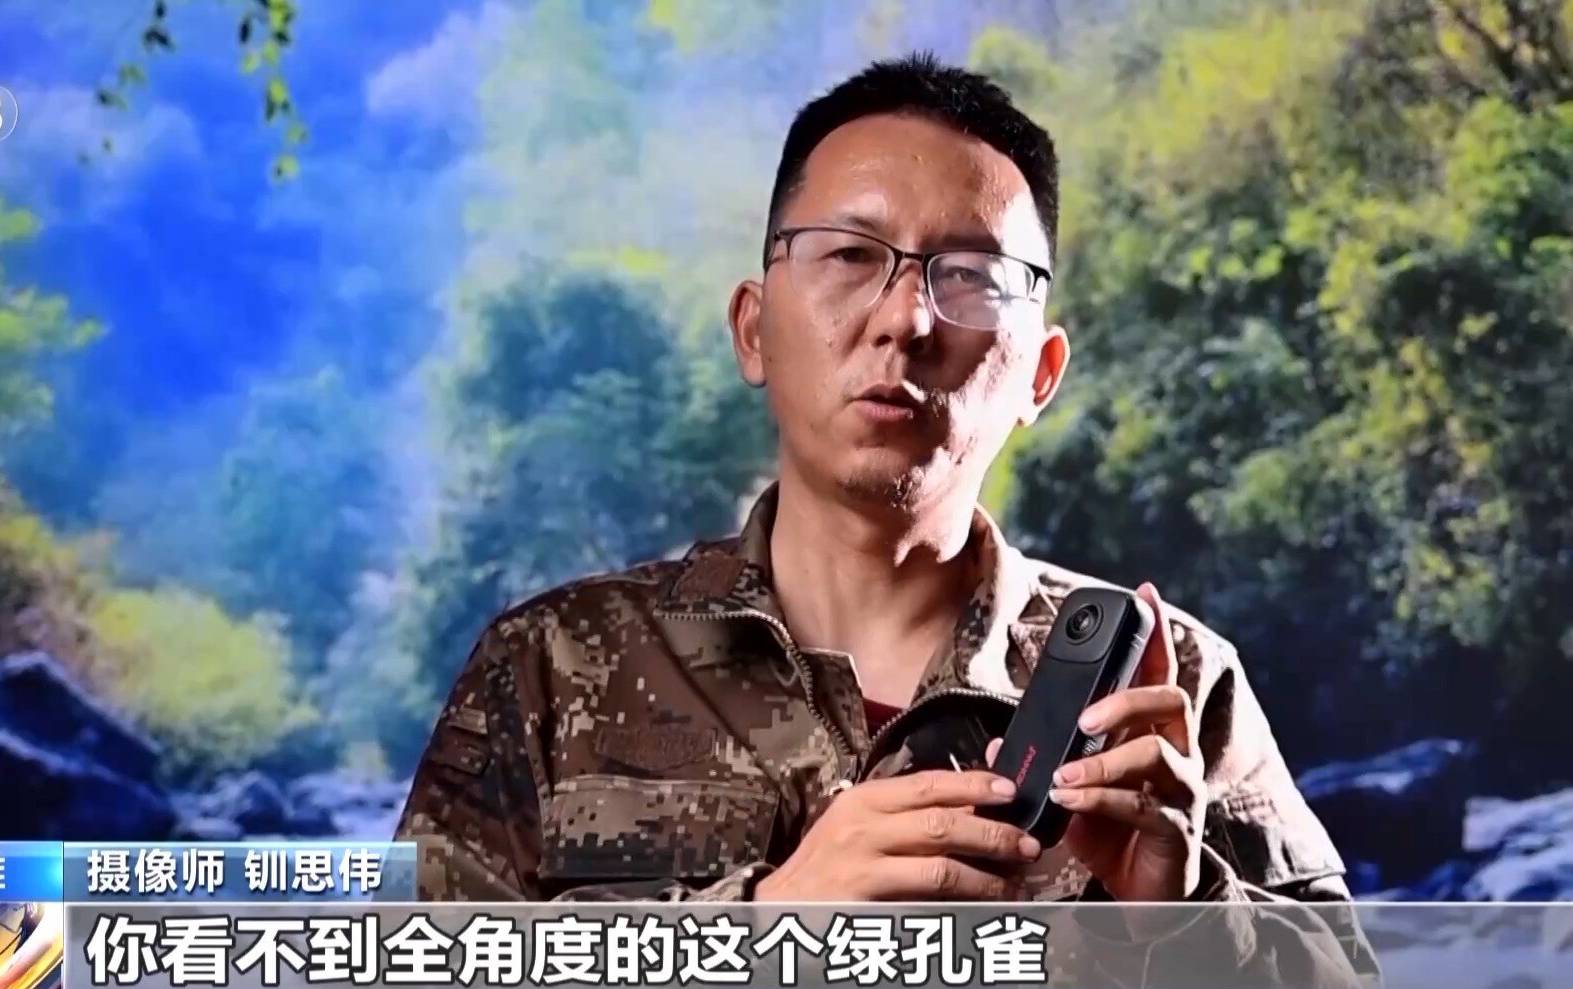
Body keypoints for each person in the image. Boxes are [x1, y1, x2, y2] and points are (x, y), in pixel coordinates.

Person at [396, 52, 1373, 978]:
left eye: (973, 276)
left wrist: (1184, 920)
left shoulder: (1168, 691)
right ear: (753, 329)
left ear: (1040, 374)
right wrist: (761, 931)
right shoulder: (550, 665)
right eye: (853, 255)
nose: (907, 318)